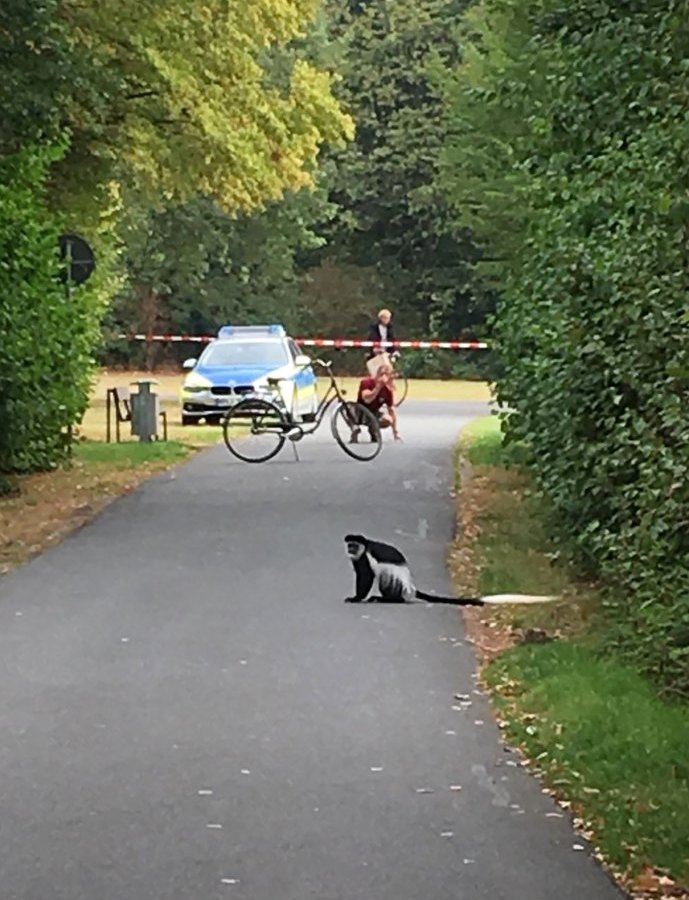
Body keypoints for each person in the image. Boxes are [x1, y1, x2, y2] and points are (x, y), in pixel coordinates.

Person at [354, 362, 401, 442]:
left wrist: (395, 432)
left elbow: (391, 410)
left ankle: (373, 429)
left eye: (387, 374)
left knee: (388, 419)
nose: (383, 377)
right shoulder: (366, 382)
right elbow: (367, 399)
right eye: (381, 374)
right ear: (377, 374)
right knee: (346, 408)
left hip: (373, 413)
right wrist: (378, 387)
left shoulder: (388, 390)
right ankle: (354, 429)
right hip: (360, 411)